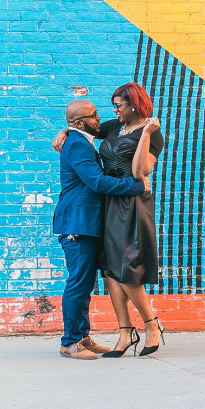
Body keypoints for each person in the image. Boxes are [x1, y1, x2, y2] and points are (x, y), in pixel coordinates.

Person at [52, 99, 150, 360]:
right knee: (78, 282)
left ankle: (82, 337)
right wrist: (137, 187)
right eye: (94, 116)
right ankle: (70, 343)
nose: (99, 119)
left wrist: (65, 130)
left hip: (87, 223)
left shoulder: (79, 139)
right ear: (79, 123)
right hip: (77, 223)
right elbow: (96, 181)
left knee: (85, 283)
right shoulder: (76, 144)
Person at [99, 82, 165, 358]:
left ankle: (151, 324)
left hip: (133, 202)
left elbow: (139, 172)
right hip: (108, 199)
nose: (115, 110)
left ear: (135, 104)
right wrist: (65, 130)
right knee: (109, 268)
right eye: (114, 105)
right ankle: (125, 332)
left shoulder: (154, 134)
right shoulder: (114, 126)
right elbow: (82, 129)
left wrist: (146, 132)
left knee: (126, 266)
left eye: (119, 105)